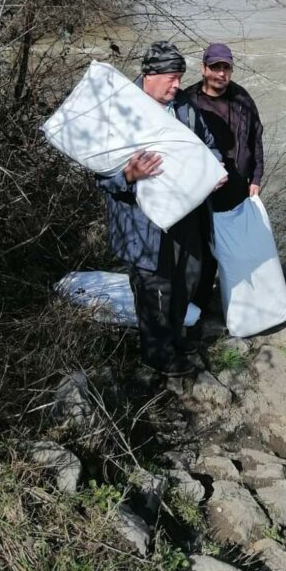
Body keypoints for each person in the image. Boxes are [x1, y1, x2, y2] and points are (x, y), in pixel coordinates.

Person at [97, 41, 226, 378]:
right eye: (171, 78)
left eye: (180, 78)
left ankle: (177, 339)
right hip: (140, 223)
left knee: (189, 275)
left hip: (183, 214)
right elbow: (99, 172)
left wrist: (214, 170)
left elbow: (208, 146)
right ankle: (158, 358)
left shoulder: (183, 106)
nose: (177, 85)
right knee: (156, 288)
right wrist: (128, 174)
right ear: (149, 76)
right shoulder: (120, 111)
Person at [184, 42, 264, 309]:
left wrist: (256, 178)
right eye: (215, 67)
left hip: (236, 185)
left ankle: (240, 304)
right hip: (200, 188)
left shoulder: (242, 99)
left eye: (226, 68)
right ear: (203, 68)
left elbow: (256, 139)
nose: (221, 73)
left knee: (237, 247)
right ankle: (199, 306)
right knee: (202, 251)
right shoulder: (188, 101)